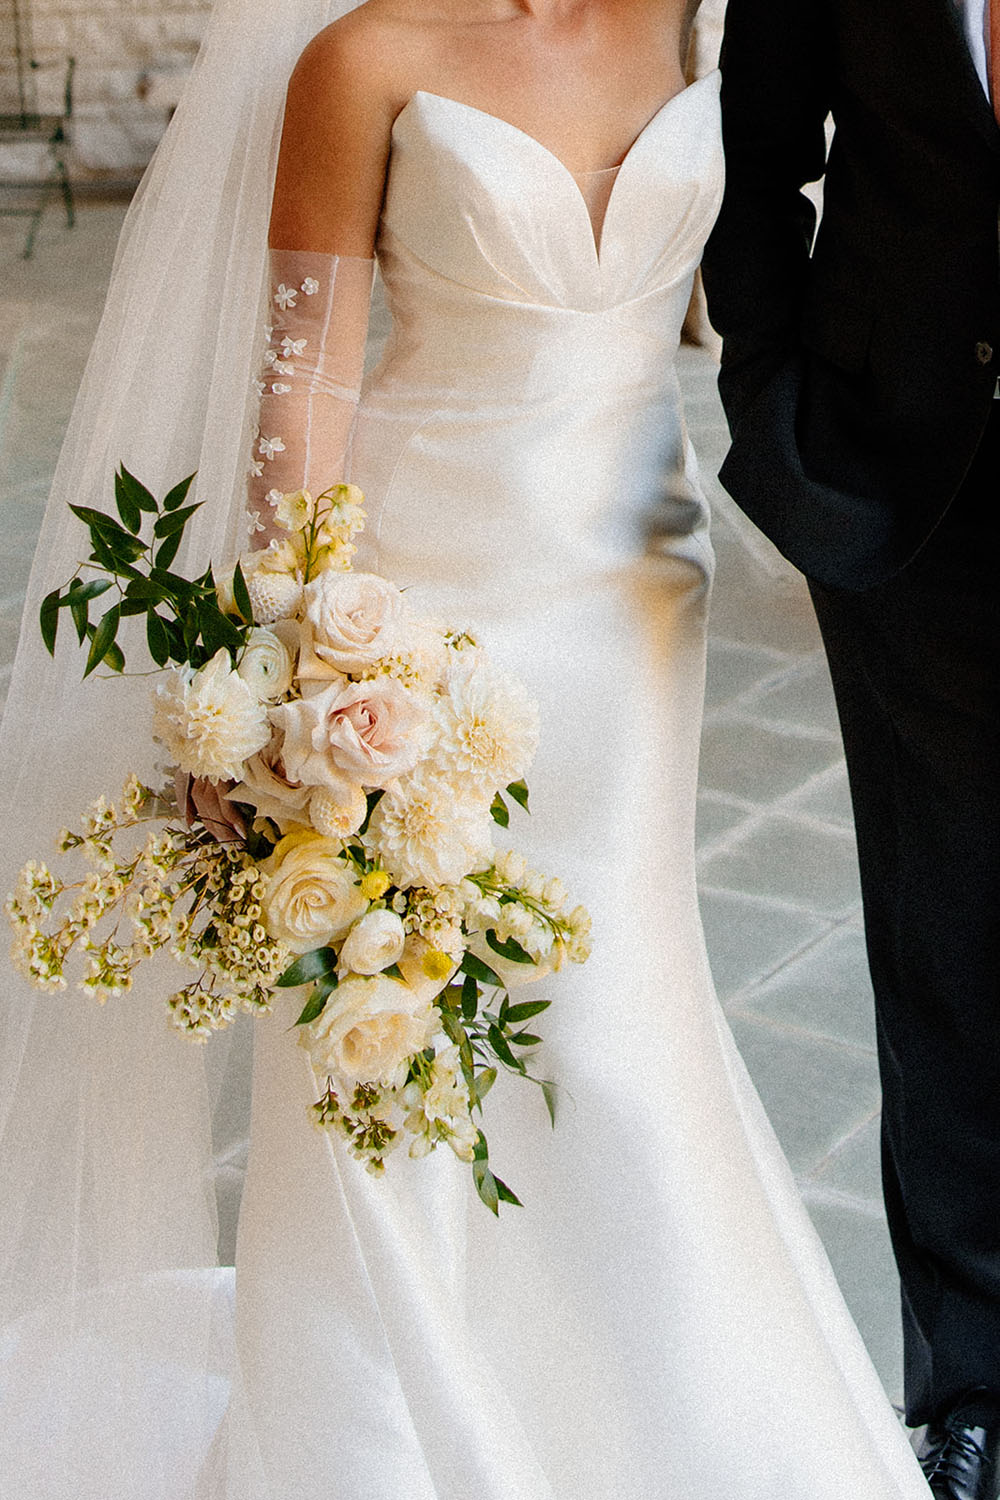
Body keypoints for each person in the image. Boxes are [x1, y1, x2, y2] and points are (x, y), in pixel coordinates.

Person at [0, 1, 930, 1495]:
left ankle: (650, 1399)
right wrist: (290, 666)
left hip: (634, 601)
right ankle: (376, 1414)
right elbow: (300, 391)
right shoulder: (364, 58)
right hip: (421, 611)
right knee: (397, 1007)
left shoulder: (699, 27)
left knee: (619, 1008)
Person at [700, 3, 1000, 1497]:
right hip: (913, 491)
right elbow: (757, 160)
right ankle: (973, 1392)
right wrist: (777, 400)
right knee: (945, 945)